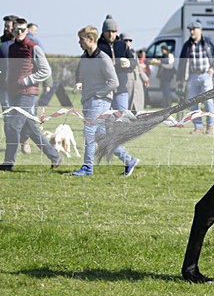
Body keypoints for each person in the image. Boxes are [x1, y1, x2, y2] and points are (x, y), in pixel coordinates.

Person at [72, 25, 139, 177]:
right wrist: (80, 82)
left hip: (99, 101)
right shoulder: (83, 58)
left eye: (81, 39)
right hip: (87, 101)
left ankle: (87, 168)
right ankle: (129, 160)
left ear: (90, 39)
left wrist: (98, 94)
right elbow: (82, 75)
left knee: (89, 132)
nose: (79, 42)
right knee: (102, 137)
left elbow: (113, 82)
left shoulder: (103, 58)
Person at [0, 17, 62, 171]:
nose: (19, 32)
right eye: (17, 29)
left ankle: (8, 163)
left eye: (22, 29)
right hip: (15, 93)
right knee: (31, 129)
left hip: (28, 94)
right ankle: (55, 157)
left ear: (27, 30)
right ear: (13, 30)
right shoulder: (12, 48)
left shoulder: (33, 47)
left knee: (12, 126)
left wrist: (27, 81)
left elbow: (45, 71)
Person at [178, 20, 214, 134]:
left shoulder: (208, 42)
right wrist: (180, 78)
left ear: (200, 30)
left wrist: (213, 68)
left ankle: (210, 126)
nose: (192, 32)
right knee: (193, 102)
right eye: (190, 30)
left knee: (208, 101)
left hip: (206, 75)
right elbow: (181, 62)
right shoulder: (187, 45)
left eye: (194, 29)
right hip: (192, 76)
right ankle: (198, 127)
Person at [96, 14, 135, 114]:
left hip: (121, 89)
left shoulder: (123, 45)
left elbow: (134, 62)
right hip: (103, 90)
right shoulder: (97, 46)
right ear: (103, 32)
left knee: (121, 117)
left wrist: (129, 63)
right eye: (108, 31)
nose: (110, 34)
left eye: (113, 31)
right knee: (104, 119)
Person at [0, 15, 17, 108]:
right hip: (4, 87)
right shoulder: (1, 43)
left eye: (8, 26)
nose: (5, 29)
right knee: (8, 115)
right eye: (4, 26)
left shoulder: (23, 43)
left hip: (20, 88)